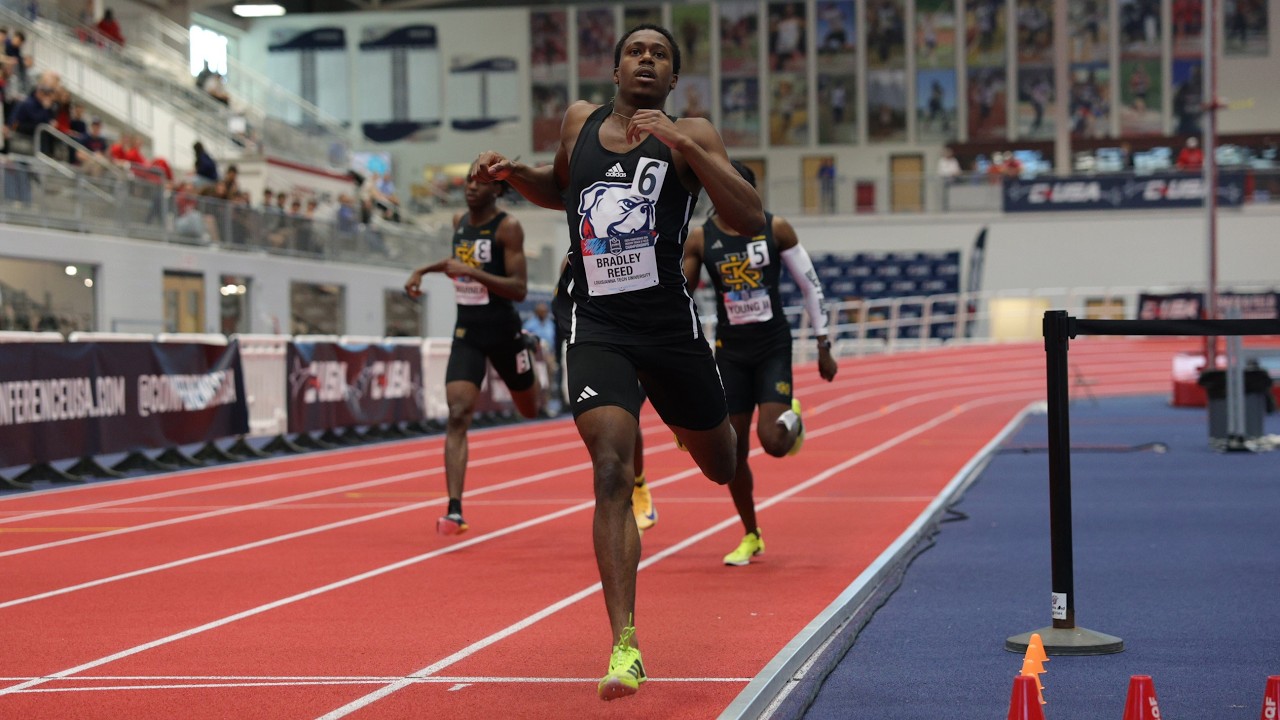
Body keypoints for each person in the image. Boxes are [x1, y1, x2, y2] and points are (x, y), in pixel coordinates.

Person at [472, 23, 764, 702]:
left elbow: (748, 216)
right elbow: (559, 186)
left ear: (672, 79)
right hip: (596, 319)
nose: (647, 59)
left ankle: (678, 421)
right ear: (615, 68)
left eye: (660, 54)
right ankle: (625, 643)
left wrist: (688, 145)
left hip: (669, 327)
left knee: (721, 463)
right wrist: (514, 174)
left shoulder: (695, 132)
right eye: (636, 50)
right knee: (608, 466)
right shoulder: (580, 120)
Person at [682, 160, 838, 567]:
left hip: (771, 347)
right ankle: (751, 534)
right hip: (730, 352)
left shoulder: (776, 229)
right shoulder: (701, 238)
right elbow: (680, 292)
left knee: (774, 443)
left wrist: (823, 344)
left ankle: (793, 418)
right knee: (731, 456)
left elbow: (810, 285)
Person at [404, 160, 542, 537]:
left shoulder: (508, 227)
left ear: (496, 189)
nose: (470, 188)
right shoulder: (458, 223)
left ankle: (531, 351)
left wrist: (472, 273)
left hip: (504, 332)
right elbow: (455, 264)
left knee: (531, 410)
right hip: (468, 331)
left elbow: (519, 288)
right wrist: (424, 270)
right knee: (458, 412)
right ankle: (454, 509)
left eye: (479, 183)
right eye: (467, 182)